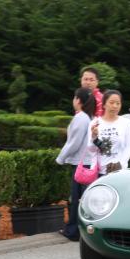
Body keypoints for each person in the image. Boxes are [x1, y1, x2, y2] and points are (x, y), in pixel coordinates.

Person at [56, 87, 96, 241]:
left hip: (81, 165)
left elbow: (73, 143)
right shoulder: (89, 117)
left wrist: (60, 158)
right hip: (86, 163)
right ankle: (77, 230)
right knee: (82, 199)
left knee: (77, 199)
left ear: (78, 100)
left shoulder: (81, 118)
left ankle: (73, 231)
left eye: (74, 98)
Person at [89, 90, 130, 175]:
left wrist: (120, 164)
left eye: (118, 103)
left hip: (119, 172)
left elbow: (129, 146)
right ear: (104, 104)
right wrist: (93, 137)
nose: (115, 106)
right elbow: (91, 149)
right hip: (99, 171)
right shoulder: (95, 123)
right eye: (111, 102)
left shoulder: (126, 123)